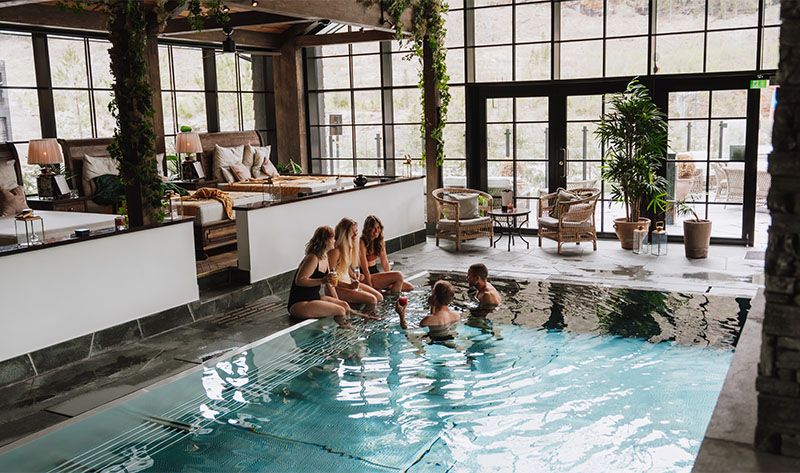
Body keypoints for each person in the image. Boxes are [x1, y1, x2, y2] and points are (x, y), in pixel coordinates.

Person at [287, 225, 350, 327]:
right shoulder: (313, 258)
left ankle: (344, 329)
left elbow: (330, 284)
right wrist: (322, 280)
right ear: (326, 240)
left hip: (314, 298)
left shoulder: (325, 257)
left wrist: (338, 301)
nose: (335, 240)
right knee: (340, 310)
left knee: (344, 306)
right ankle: (343, 336)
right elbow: (300, 280)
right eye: (333, 238)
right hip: (299, 303)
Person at [328, 218, 385, 309]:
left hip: (348, 282)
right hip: (338, 287)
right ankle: (365, 320)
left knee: (379, 297)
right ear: (345, 233)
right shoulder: (335, 251)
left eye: (356, 231)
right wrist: (349, 286)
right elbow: (330, 279)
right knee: (372, 300)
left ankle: (366, 317)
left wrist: (353, 275)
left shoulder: (349, 248)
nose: (355, 234)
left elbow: (344, 267)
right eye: (352, 232)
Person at [359, 215, 413, 293]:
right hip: (366, 276)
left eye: (378, 228)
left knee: (408, 287)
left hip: (375, 273)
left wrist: (391, 278)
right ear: (368, 229)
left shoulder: (379, 241)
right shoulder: (362, 242)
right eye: (373, 228)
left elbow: (384, 262)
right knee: (399, 275)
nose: (376, 231)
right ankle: (393, 301)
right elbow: (365, 269)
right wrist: (370, 285)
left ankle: (390, 297)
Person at [395, 280, 460, 330]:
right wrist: (432, 307)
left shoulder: (427, 321)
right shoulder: (457, 316)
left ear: (434, 297)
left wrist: (402, 315)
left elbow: (408, 333)